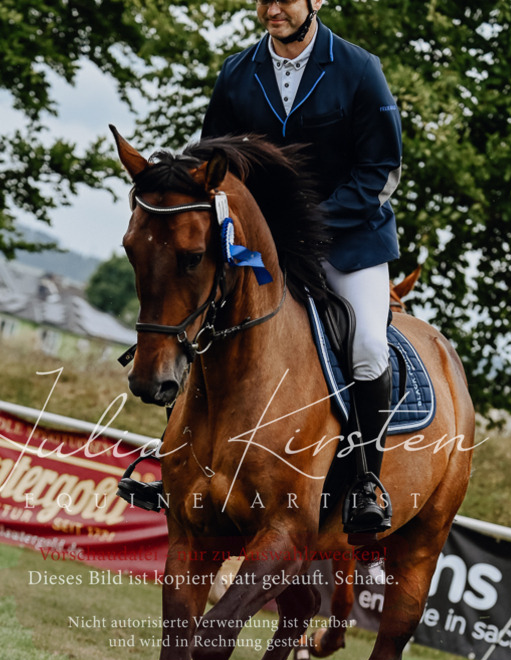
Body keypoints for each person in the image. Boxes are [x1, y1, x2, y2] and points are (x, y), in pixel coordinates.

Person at [201, 0, 402, 535]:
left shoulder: (360, 69)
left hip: (349, 243)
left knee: (368, 345)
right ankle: (181, 462)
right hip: (264, 245)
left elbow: (382, 171)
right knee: (203, 322)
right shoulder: (237, 72)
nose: (272, 9)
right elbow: (211, 161)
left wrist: (311, 223)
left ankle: (366, 481)